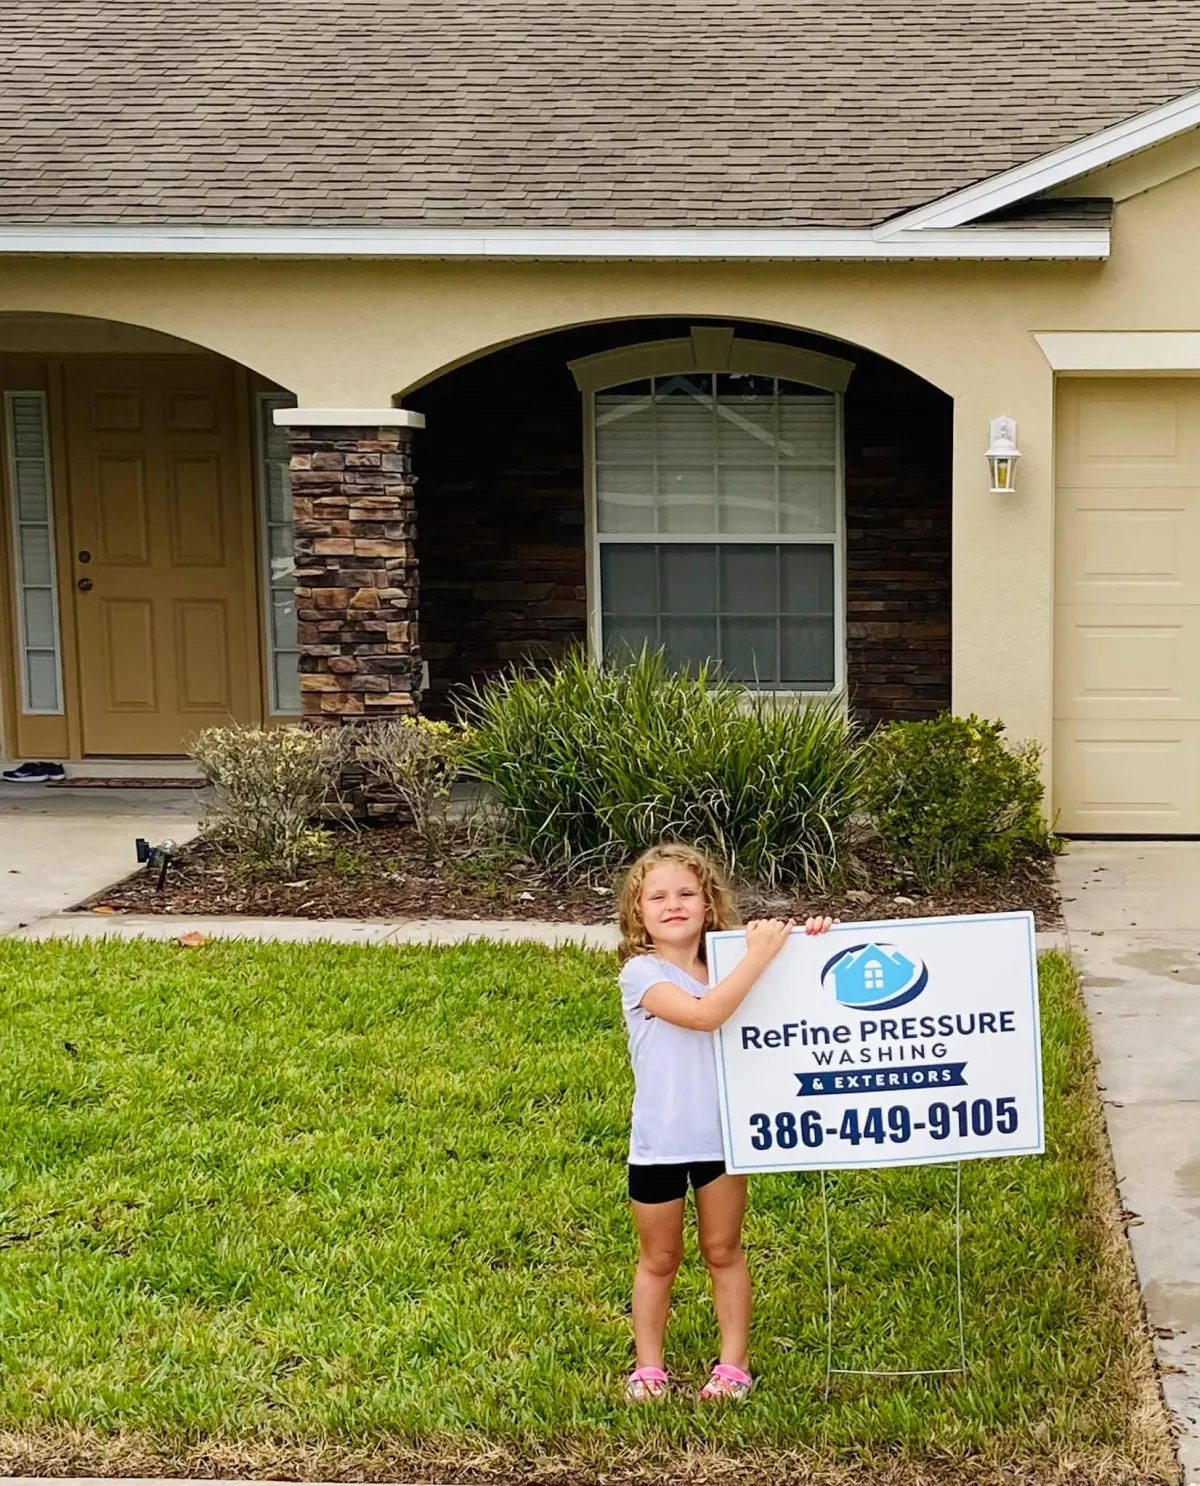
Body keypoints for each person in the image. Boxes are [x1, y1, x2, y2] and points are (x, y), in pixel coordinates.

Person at [616, 841, 836, 1402]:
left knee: (723, 1250)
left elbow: (800, 989)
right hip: (660, 1144)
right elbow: (704, 1014)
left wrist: (809, 942)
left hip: (726, 1139)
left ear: (709, 904)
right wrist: (760, 956)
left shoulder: (731, 963)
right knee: (659, 1258)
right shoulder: (641, 973)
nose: (673, 904)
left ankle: (733, 1365)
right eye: (657, 896)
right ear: (637, 913)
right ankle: (648, 1368)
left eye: (687, 893)